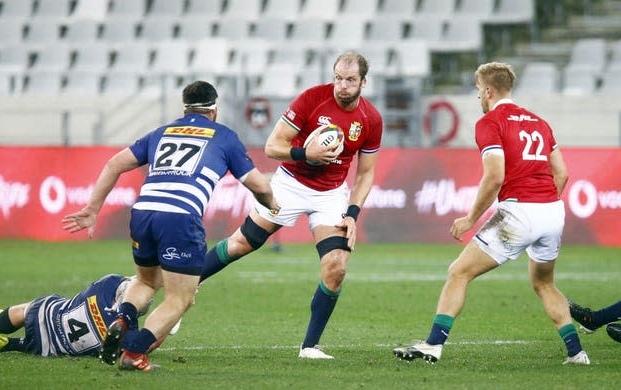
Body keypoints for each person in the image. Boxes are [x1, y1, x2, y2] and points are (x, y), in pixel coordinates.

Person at [62, 81, 279, 371]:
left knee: (146, 281)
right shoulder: (223, 136)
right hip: (180, 216)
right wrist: (270, 202)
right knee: (181, 297)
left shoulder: (162, 131)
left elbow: (114, 163)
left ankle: (123, 317)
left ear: (185, 107)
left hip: (142, 212)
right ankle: (134, 352)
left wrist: (92, 209)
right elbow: (257, 184)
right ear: (214, 109)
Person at [392, 62, 590, 365]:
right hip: (552, 211)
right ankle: (577, 353)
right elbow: (561, 173)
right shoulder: (539, 122)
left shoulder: (491, 122)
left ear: (488, 90)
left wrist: (470, 218)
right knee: (545, 284)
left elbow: (494, 176)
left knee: (459, 272)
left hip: (518, 212)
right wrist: (542, 205)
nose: (477, 97)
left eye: (477, 90)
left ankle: (433, 344)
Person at [199, 50, 383, 359]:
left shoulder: (371, 119)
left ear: (364, 82)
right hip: (289, 185)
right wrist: (305, 155)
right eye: (338, 78)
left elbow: (366, 173)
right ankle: (189, 284)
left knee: (336, 267)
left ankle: (309, 347)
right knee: (241, 244)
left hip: (331, 194)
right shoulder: (312, 99)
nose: (342, 86)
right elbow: (273, 146)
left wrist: (352, 215)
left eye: (350, 80)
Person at [0, 274, 154, 356]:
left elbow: (134, 280)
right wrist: (168, 328)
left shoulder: (107, 284)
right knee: (58, 347)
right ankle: (8, 344)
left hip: (45, 316)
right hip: (49, 349)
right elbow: (144, 346)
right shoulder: (126, 336)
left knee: (31, 308)